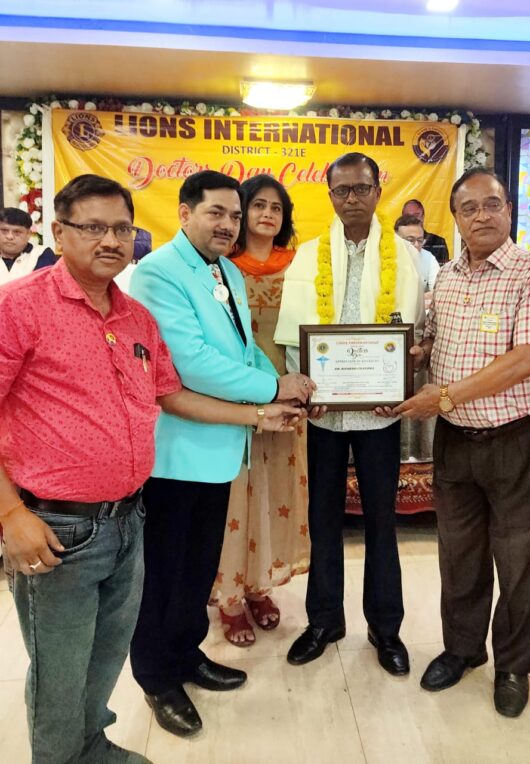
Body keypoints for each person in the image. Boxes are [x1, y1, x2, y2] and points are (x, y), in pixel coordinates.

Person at [0, 173, 300, 764]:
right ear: (58, 232)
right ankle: (123, 707)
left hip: (127, 510)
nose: (110, 240)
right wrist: (10, 513)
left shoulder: (134, 314)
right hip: (58, 519)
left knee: (111, 645)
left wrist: (260, 412)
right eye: (93, 227)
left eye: (121, 228)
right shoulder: (21, 306)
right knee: (63, 666)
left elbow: (170, 391)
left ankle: (100, 736)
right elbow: (195, 364)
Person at [128, 170, 313, 738]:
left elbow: (244, 350)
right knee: (163, 574)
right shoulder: (158, 272)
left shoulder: (225, 269)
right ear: (184, 213)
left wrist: (283, 387)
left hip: (223, 450)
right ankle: (156, 678)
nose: (228, 224)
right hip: (177, 455)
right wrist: (272, 388)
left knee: (198, 566)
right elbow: (190, 362)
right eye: (216, 213)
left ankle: (187, 655)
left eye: (234, 215)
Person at [395, 168, 530, 718]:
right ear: (455, 218)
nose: (482, 216)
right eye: (469, 208)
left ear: (509, 209)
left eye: (492, 204)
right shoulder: (445, 276)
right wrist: (407, 358)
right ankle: (463, 649)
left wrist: (443, 396)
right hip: (455, 440)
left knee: (520, 558)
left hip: (516, 437)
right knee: (458, 553)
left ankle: (513, 666)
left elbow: (527, 360)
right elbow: (433, 341)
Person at [275, 152, 423, 676]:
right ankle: (324, 622)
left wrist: (398, 384)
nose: (352, 198)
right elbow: (293, 335)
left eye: (361, 188)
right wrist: (304, 389)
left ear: (378, 191)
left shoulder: (405, 257)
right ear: (331, 196)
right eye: (342, 190)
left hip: (380, 414)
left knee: (382, 520)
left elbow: (413, 335)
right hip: (324, 414)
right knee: (323, 519)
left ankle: (386, 627)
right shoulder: (307, 256)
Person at [211, 174, 310, 647]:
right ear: (241, 212)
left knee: (275, 494)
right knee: (237, 498)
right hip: (237, 401)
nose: (268, 214)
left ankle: (258, 586)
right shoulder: (220, 268)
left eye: (276, 207)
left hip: (288, 401)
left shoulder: (302, 267)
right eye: (258, 205)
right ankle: (229, 596)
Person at [394, 213, 440, 461]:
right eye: (409, 240)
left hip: (418, 336)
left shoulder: (428, 259)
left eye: (420, 240)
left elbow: (435, 291)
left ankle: (418, 451)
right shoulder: (385, 258)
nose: (415, 245)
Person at [0, 207, 57, 285]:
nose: (10, 237)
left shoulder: (41, 254)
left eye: (17, 232)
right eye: (4, 231)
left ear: (28, 234)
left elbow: (43, 288)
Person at [401, 198, 450, 264]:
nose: (412, 219)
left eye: (416, 215)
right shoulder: (397, 243)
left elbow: (443, 269)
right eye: (408, 216)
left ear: (423, 217)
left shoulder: (438, 242)